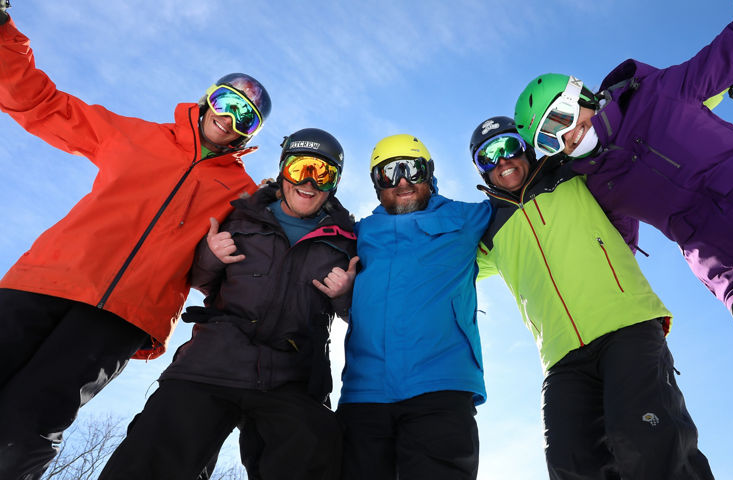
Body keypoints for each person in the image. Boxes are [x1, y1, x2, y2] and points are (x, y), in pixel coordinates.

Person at [513, 0, 733, 459]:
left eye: (561, 119)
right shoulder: (596, 184)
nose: (566, 137)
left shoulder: (660, 92)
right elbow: (614, 250)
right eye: (548, 140)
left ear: (579, 95)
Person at [0, 7, 272, 478]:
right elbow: (42, 104)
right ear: (207, 99)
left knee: (29, 422)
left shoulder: (243, 192)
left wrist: (284, 198)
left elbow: (256, 260)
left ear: (250, 136)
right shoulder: (136, 136)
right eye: (226, 102)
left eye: (246, 118)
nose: (230, 119)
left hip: (123, 314)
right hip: (46, 280)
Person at [99, 128, 358, 480]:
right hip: (214, 361)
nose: (310, 182)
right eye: (301, 169)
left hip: (293, 376)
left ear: (334, 184)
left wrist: (345, 295)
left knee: (316, 453)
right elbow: (202, 280)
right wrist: (210, 256)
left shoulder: (347, 239)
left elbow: (356, 313)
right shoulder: (240, 213)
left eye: (323, 173)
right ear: (284, 169)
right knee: (152, 457)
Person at [470, 116, 714, 479]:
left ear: (526, 146)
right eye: (488, 157)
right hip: (560, 355)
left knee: (646, 441)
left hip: (624, 324)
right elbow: (440, 266)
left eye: (508, 147)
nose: (502, 161)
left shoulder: (570, 173)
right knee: (569, 461)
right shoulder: (486, 229)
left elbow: (633, 133)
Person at [336, 134, 491, 480]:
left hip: (440, 388)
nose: (402, 181)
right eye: (389, 173)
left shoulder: (466, 218)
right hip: (364, 395)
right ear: (377, 185)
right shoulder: (358, 233)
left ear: (429, 174)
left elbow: (523, 204)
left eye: (412, 169)